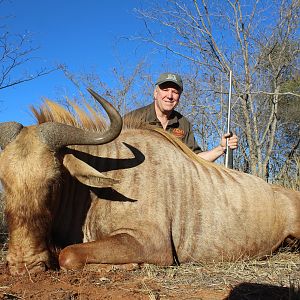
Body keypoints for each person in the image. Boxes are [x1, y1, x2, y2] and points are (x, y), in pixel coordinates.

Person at [125, 72, 238, 162]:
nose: (169, 96)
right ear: (155, 93)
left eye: (175, 92)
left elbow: (195, 159)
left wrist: (221, 148)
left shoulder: (183, 123)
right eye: (165, 90)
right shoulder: (132, 118)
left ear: (179, 96)